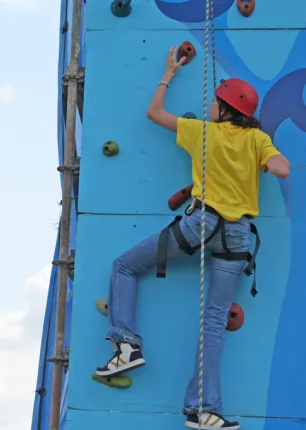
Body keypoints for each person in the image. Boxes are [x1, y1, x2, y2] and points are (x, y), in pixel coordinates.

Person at [95, 46, 290, 429]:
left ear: (225, 107)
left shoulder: (202, 132)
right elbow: (282, 169)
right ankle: (204, 410)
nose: (210, 106)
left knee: (125, 266)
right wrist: (263, 161)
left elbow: (153, 113)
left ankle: (126, 344)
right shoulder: (258, 141)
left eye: (215, 101)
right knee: (214, 321)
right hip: (236, 239)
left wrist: (168, 73)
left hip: (199, 226)